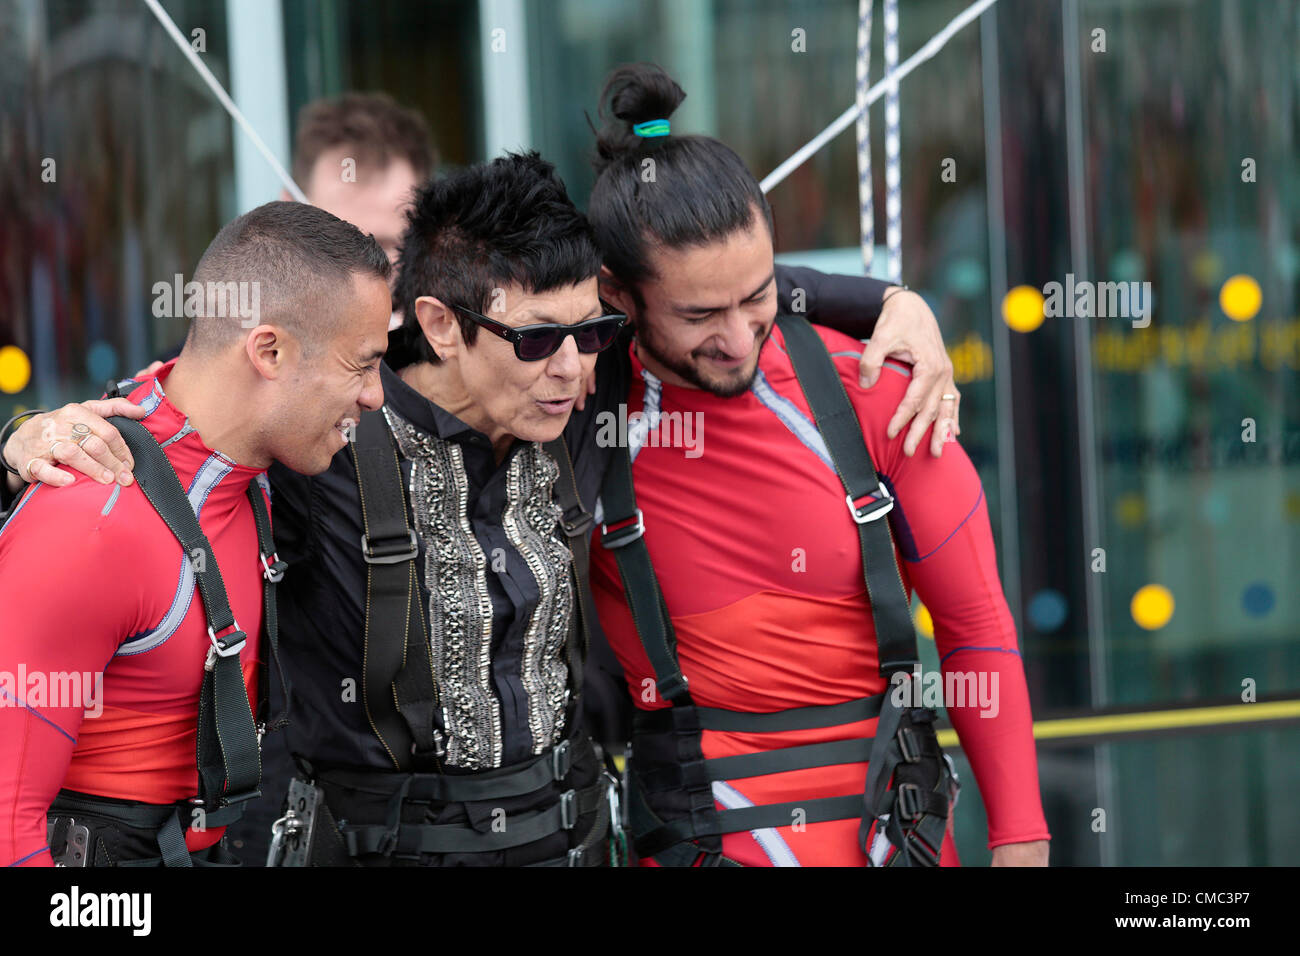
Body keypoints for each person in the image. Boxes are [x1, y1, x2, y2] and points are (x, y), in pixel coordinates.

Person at [582, 64, 1051, 866]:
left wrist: (1021, 841)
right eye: (699, 314)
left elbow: (975, 630)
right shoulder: (570, 415)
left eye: (758, 295)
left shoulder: (876, 393)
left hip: (894, 840)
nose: (737, 338)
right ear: (617, 297)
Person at [0, 201, 393, 866]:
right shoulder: (93, 519)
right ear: (268, 350)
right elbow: (8, 826)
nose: (377, 397)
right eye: (363, 363)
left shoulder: (259, 468)